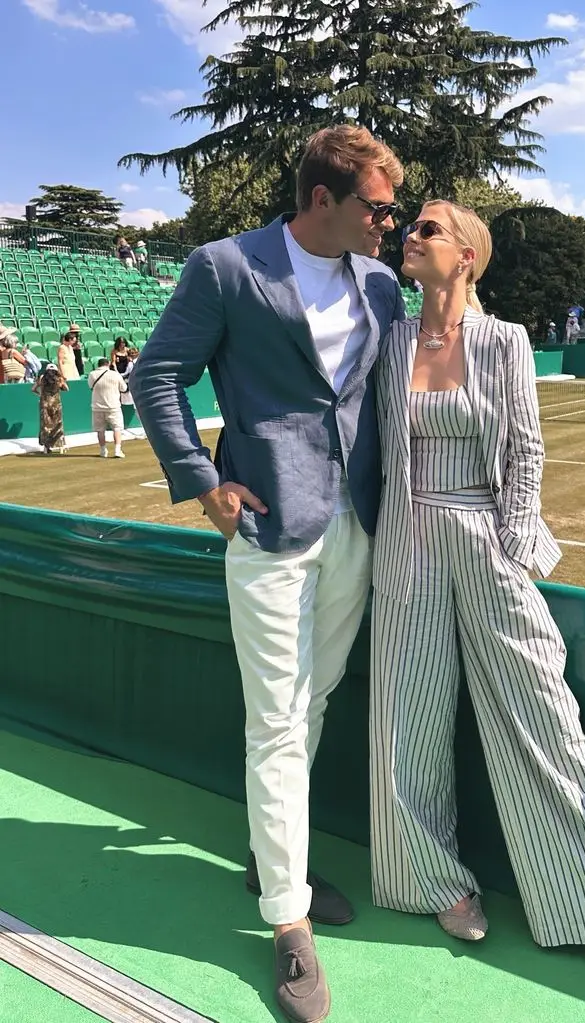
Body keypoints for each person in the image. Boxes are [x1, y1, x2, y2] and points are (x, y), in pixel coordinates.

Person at [369, 200, 585, 1011]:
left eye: (428, 229)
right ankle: (434, 881)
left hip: (486, 540)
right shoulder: (391, 340)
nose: (412, 235)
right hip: (406, 548)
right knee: (403, 723)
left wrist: (509, 547)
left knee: (545, 723)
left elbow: (527, 451)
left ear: (467, 254)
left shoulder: (505, 342)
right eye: (412, 227)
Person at [129, 124, 405, 1023]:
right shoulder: (225, 265)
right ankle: (287, 921)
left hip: (355, 523)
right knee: (278, 720)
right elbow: (158, 375)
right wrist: (203, 482)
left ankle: (268, 852)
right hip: (269, 526)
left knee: (313, 701)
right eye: (375, 205)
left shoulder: (381, 284)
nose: (387, 221)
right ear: (321, 198)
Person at [88, 357, 128, 458]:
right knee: (117, 428)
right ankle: (117, 450)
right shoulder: (115, 374)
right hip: (113, 406)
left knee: (100, 430)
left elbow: (90, 386)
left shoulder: (92, 374)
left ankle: (103, 450)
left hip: (97, 406)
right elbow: (124, 388)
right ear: (108, 364)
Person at [32, 363, 68, 454]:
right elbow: (67, 389)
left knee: (45, 426)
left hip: (44, 404)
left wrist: (40, 394)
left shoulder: (41, 378)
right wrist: (62, 381)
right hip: (56, 405)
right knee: (57, 425)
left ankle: (46, 447)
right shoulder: (59, 379)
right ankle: (60, 445)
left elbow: (33, 389)